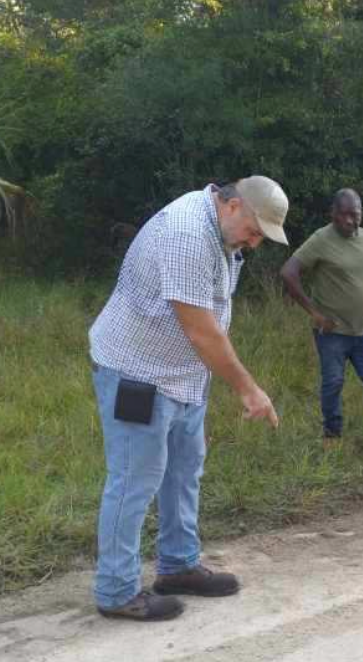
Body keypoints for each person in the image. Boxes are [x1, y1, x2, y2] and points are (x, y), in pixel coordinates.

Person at [88, 176, 287, 621]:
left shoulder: (222, 232)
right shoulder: (185, 234)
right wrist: (248, 389)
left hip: (183, 376)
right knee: (134, 479)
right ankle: (116, 590)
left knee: (182, 471)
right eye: (254, 231)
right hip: (136, 374)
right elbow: (201, 330)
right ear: (233, 206)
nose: (254, 244)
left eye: (261, 238)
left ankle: (178, 566)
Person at [279, 188, 363, 453]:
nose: (348, 220)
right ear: (332, 213)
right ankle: (331, 438)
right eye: (343, 214)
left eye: (354, 215)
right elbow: (289, 272)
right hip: (331, 332)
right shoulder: (321, 239)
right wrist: (315, 313)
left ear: (360, 214)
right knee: (333, 382)